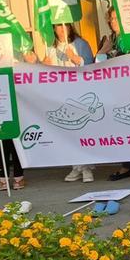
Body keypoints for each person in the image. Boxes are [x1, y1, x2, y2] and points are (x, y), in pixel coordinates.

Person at [38, 23, 96, 183]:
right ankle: (76, 167)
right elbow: (45, 71)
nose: (61, 30)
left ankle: (86, 168)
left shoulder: (80, 44)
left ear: (70, 27)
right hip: (60, 95)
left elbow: (91, 66)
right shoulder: (51, 47)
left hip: (78, 93)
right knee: (68, 132)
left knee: (81, 131)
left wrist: (76, 58)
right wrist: (44, 66)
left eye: (64, 26)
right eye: (57, 27)